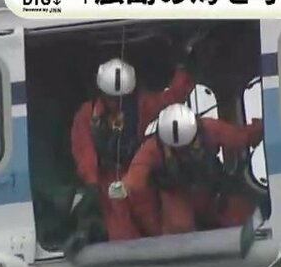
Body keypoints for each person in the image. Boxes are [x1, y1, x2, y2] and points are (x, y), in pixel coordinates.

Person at [69, 53, 196, 243]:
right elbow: (85, 151)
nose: (116, 102)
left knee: (157, 226)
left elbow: (169, 99)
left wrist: (183, 68)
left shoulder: (141, 105)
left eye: (121, 97)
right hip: (109, 182)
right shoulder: (87, 114)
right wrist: (92, 184)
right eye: (111, 97)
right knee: (122, 233)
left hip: (139, 175)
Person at [123, 103, 264, 236]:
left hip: (211, 190)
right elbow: (135, 181)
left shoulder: (209, 129)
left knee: (241, 216)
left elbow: (239, 137)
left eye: (189, 145)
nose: (183, 152)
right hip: (177, 195)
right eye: (177, 149)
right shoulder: (152, 149)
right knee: (179, 229)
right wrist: (152, 224)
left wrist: (261, 127)